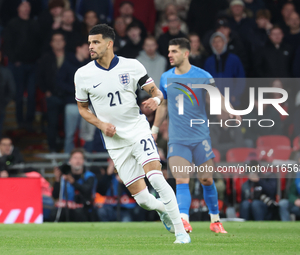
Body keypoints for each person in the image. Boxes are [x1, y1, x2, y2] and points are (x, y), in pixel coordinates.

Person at [75, 24, 190, 243]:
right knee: (143, 200)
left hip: (138, 130)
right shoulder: (83, 74)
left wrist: (155, 100)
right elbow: (82, 108)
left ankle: (181, 232)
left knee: (156, 177)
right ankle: (164, 211)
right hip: (115, 141)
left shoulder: (132, 66)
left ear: (109, 43)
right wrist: (100, 124)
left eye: (96, 42)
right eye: (89, 42)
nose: (91, 46)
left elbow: (157, 93)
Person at [152, 37, 241, 233]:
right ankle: (184, 220)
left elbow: (216, 97)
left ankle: (215, 220)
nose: (169, 55)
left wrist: (231, 109)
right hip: (177, 139)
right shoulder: (166, 77)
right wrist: (155, 128)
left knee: (206, 179)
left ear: (186, 53)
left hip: (200, 137)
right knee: (182, 178)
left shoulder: (203, 76)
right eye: (169, 51)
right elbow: (163, 104)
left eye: (174, 51)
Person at [3, 1, 40, 129]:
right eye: (23, 6)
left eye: (28, 6)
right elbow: (7, 44)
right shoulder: (12, 24)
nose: (26, 8)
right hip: (17, 65)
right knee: (18, 95)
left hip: (32, 65)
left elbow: (39, 44)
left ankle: (29, 121)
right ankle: (19, 121)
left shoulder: (35, 24)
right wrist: (14, 60)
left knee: (31, 94)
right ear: (18, 8)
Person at [51, 148, 97, 222]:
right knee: (54, 213)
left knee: (80, 213)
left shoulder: (89, 176)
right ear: (70, 161)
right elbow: (55, 196)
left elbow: (87, 190)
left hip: (83, 208)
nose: (77, 161)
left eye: (80, 158)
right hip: (66, 208)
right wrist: (57, 179)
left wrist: (72, 181)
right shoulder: (63, 177)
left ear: (83, 161)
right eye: (75, 158)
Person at [204, 32, 246, 108]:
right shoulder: (209, 61)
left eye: (219, 41)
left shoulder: (234, 59)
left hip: (232, 101)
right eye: (214, 42)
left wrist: (235, 95)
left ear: (224, 42)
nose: (217, 44)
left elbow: (241, 79)